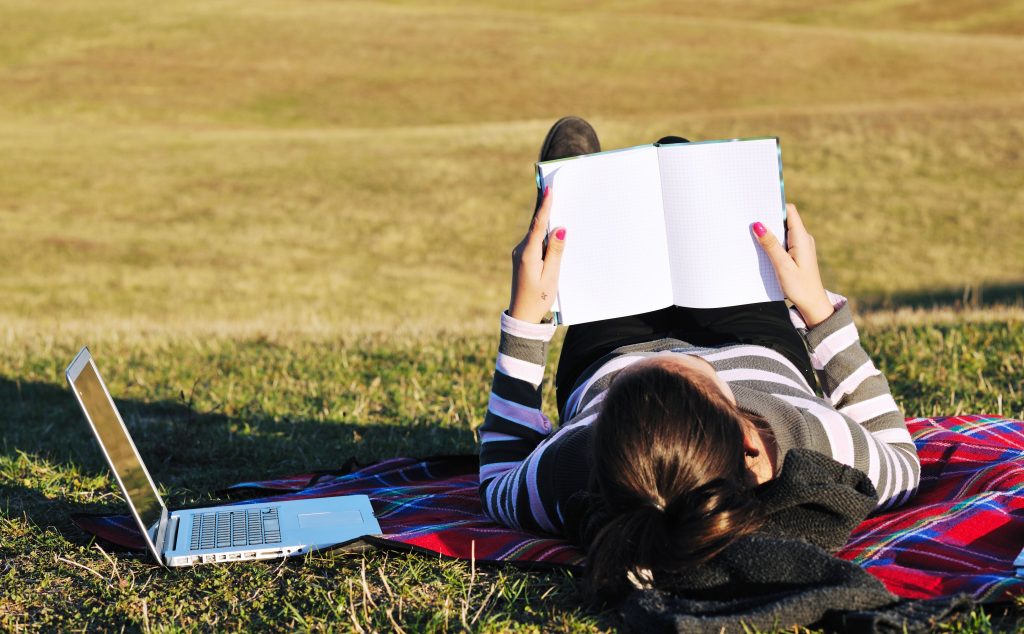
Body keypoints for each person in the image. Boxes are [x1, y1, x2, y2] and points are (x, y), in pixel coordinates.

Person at [477, 116, 920, 603]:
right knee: (682, 163)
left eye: (634, 381)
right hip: (750, 334)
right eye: (689, 373)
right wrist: (816, 309)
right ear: (750, 434)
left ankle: (578, 184)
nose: (669, 356)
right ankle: (641, 177)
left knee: (623, 208)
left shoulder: (576, 466)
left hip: (609, 347)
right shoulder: (814, 443)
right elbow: (902, 459)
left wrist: (525, 320)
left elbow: (499, 473)